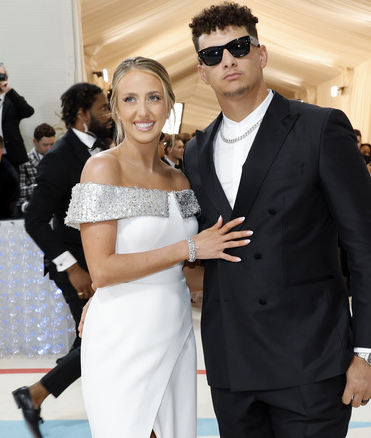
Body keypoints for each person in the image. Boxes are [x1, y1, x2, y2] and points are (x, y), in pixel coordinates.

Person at [184, 4, 371, 436]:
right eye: (212, 55)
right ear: (202, 72)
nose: (228, 60)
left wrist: (370, 353)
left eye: (238, 47)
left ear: (261, 54)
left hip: (309, 358)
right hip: (231, 361)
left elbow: (367, 244)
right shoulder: (195, 151)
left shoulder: (319, 127)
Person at [65, 57, 250, 438]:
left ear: (169, 104)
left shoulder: (179, 178)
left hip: (174, 325)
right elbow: (102, 270)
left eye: (153, 97)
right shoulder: (102, 169)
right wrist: (189, 247)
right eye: (130, 99)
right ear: (116, 107)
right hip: (121, 332)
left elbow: (197, 261)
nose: (143, 111)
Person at [12, 82, 113, 438]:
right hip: (79, 268)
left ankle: (37, 394)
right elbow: (35, 220)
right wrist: (71, 267)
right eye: (104, 109)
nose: (110, 115)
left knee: (93, 339)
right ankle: (35, 393)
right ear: (83, 114)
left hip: (104, 264)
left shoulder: (107, 149)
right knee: (99, 338)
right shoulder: (59, 157)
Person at [17, 123, 55, 207]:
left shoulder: (58, 159)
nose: (49, 148)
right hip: (36, 206)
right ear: (35, 141)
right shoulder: (25, 161)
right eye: (45, 145)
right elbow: (20, 191)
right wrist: (41, 187)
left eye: (52, 144)